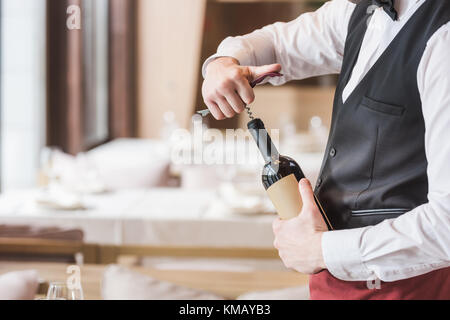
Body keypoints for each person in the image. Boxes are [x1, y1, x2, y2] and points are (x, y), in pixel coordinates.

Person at [201, 0, 450, 299]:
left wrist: (321, 250)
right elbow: (276, 44)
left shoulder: (444, 38)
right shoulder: (357, 12)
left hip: (408, 289)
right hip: (335, 286)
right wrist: (222, 63)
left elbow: (446, 225)